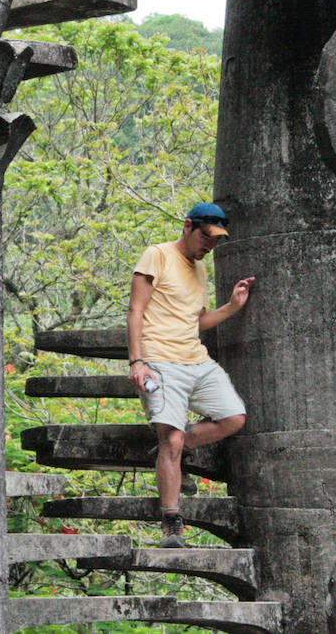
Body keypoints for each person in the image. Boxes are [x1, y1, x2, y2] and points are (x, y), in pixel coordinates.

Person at [126, 202, 254, 548]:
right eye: (205, 236)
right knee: (171, 439)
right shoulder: (158, 255)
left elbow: (195, 322)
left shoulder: (198, 271)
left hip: (196, 361)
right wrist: (137, 362)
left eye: (215, 240)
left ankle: (175, 450)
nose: (209, 245)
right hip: (160, 362)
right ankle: (171, 524)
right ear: (188, 226)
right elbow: (135, 310)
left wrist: (231, 307)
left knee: (234, 418)